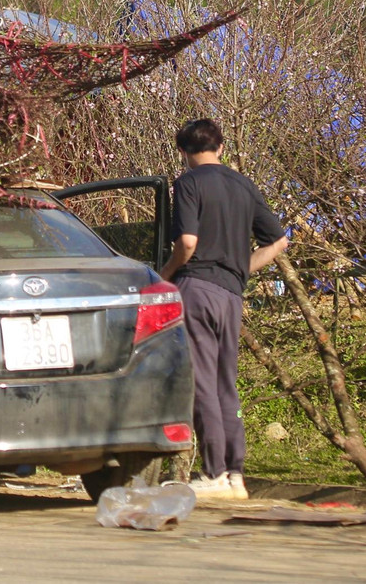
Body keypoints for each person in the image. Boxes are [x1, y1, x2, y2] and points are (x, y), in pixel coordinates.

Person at [159, 119, 289, 500]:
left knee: (202, 382)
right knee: (225, 383)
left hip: (197, 287)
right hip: (231, 293)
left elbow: (187, 242)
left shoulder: (189, 183)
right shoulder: (244, 185)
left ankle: (213, 473)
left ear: (184, 153)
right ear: (221, 148)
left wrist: (165, 275)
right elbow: (279, 242)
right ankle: (235, 476)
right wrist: (238, 269)